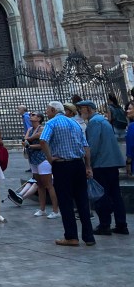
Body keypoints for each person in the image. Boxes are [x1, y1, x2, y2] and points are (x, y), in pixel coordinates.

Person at [38, 100, 95, 247]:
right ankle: (89, 237)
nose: (46, 112)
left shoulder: (52, 123)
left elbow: (43, 140)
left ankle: (71, 236)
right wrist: (88, 166)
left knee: (65, 201)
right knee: (82, 200)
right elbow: (86, 145)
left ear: (52, 110)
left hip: (62, 165)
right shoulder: (75, 123)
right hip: (78, 164)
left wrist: (50, 158)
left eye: (47, 109)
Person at [78, 100, 128, 236]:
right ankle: (121, 224)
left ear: (88, 109)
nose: (80, 112)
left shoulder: (94, 122)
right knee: (115, 194)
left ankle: (105, 224)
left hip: (101, 164)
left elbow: (92, 146)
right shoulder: (103, 120)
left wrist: (87, 164)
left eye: (81, 109)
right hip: (111, 163)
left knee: (102, 195)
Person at [9, 112, 59, 218]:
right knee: (39, 184)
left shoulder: (43, 129)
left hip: (42, 159)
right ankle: (42, 209)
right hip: (33, 159)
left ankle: (55, 210)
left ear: (39, 118)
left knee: (48, 185)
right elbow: (25, 141)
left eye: (33, 115)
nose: (31, 116)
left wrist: (30, 144)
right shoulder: (30, 130)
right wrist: (31, 140)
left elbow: (42, 144)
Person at [126, 101, 134, 179]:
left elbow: (130, 147)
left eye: (129, 109)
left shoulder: (132, 127)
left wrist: (128, 163)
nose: (127, 111)